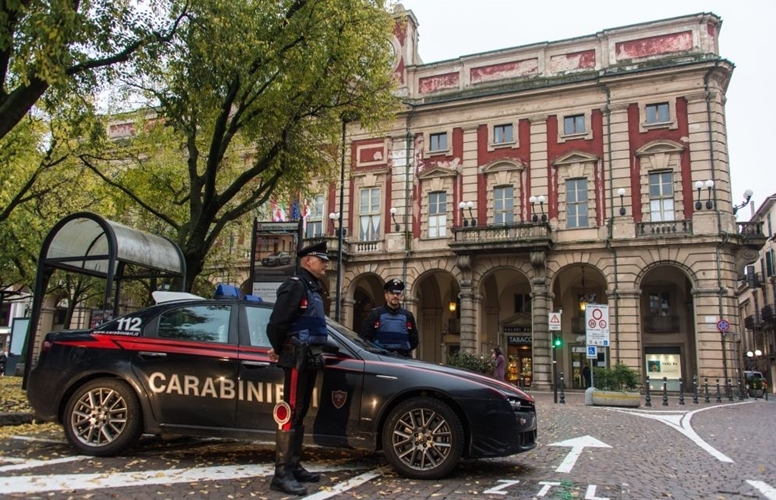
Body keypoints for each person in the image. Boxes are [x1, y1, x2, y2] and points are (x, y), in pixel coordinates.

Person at [267, 241, 330, 496]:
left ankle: (293, 464)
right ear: (307, 261)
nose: (326, 264)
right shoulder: (295, 286)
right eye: (321, 259)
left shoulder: (313, 287)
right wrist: (281, 348)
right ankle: (281, 474)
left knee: (301, 411)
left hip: (310, 356)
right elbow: (276, 324)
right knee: (290, 411)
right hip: (296, 357)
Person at [360, 278, 419, 357]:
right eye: (392, 293)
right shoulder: (375, 314)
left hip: (403, 359)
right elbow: (365, 338)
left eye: (398, 294)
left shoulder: (408, 316)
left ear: (401, 296)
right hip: (381, 359)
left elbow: (414, 340)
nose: (395, 296)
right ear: (386, 295)